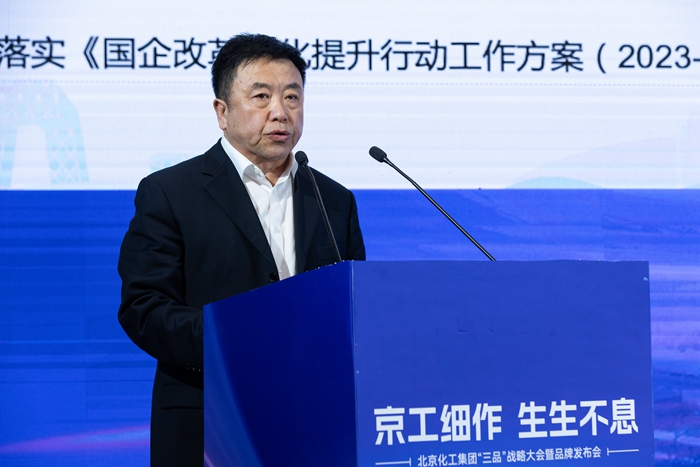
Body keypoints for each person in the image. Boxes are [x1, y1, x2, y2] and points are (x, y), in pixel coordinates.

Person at [117, 33, 365, 467]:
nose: (280, 111)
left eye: (292, 96)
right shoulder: (171, 192)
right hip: (210, 418)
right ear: (222, 111)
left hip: (314, 421)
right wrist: (242, 340)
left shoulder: (333, 199)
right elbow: (144, 309)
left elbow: (355, 306)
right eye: (262, 96)